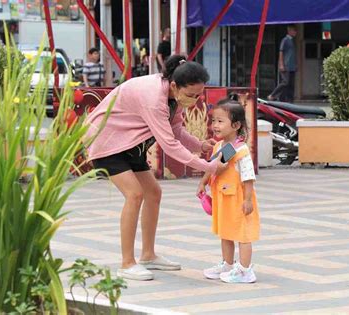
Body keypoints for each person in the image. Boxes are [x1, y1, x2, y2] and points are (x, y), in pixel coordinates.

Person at [84, 54, 227, 281]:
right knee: (135, 194)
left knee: (153, 193)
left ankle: (148, 255)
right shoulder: (153, 97)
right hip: (106, 140)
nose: (195, 99)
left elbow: (177, 130)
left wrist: (200, 145)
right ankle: (127, 263)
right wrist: (207, 166)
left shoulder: (176, 98)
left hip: (130, 144)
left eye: (199, 94)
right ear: (174, 85)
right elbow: (169, 145)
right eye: (191, 95)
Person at [197, 96, 260, 283]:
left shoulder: (240, 150)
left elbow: (248, 177)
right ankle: (228, 264)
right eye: (213, 121)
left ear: (236, 125)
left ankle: (245, 270)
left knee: (242, 233)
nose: (215, 125)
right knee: (225, 231)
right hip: (223, 198)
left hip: (238, 199)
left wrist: (248, 200)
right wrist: (203, 182)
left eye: (220, 121)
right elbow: (213, 166)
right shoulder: (219, 145)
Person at [268, 24, 297, 102]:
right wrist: (281, 64)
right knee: (285, 82)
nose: (295, 32)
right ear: (289, 31)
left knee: (291, 85)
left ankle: (290, 101)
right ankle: (273, 95)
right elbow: (281, 52)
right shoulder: (285, 40)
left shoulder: (292, 41)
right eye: (294, 31)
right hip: (286, 65)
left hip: (292, 66)